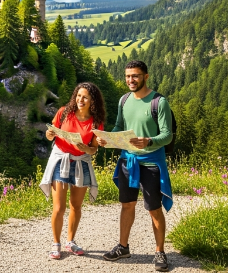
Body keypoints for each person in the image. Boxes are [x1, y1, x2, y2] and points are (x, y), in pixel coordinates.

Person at [98, 60, 173, 272]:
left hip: (151, 162)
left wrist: (149, 140)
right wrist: (109, 138)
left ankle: (160, 252)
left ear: (146, 77)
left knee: (154, 209)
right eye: (128, 76)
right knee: (126, 205)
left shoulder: (159, 102)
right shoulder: (124, 100)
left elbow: (167, 135)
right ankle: (123, 247)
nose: (131, 80)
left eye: (136, 76)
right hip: (127, 161)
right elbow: (119, 126)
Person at [40, 82, 104, 260]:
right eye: (78, 96)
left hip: (81, 162)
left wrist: (85, 148)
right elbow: (50, 133)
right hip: (61, 160)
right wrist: (50, 135)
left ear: (93, 101)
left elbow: (94, 149)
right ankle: (56, 244)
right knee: (59, 207)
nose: (80, 100)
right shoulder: (64, 112)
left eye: (85, 97)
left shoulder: (96, 122)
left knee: (76, 205)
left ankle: (70, 241)